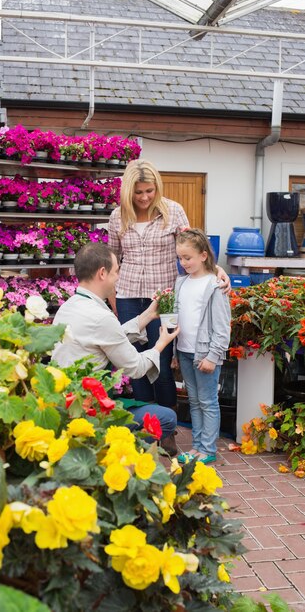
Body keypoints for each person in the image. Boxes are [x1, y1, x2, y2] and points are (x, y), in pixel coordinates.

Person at [108, 158, 230, 411]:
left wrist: (216, 269)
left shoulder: (173, 211)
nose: (144, 197)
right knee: (134, 363)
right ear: (128, 190)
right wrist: (113, 299)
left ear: (157, 188)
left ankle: (167, 425)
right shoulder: (117, 217)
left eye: (149, 191)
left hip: (163, 299)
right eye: (138, 192)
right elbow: (112, 259)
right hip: (127, 297)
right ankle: (144, 423)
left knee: (161, 363)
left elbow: (194, 246)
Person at [52, 242, 179, 454]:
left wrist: (147, 315)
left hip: (64, 403)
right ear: (102, 273)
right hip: (88, 412)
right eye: (116, 271)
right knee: (168, 418)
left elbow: (110, 336)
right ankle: (119, 457)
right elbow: (136, 368)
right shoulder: (100, 316)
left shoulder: (69, 307)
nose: (118, 277)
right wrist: (161, 344)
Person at [173, 229, 231, 465]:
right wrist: (176, 352)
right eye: (180, 258)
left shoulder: (215, 286)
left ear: (203, 256)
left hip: (206, 354)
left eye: (188, 258)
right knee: (194, 401)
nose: (183, 262)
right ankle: (197, 447)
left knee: (208, 402)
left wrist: (213, 355)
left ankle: (208, 448)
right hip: (186, 352)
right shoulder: (181, 283)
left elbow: (222, 326)